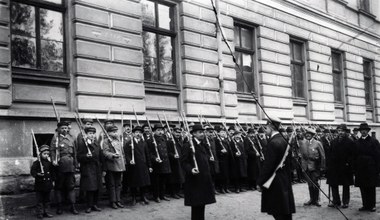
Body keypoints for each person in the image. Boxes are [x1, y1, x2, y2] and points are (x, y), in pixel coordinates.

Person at [257, 116, 295, 220]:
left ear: (270, 126)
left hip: (274, 181)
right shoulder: (284, 140)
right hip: (284, 179)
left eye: (266, 128)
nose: (265, 131)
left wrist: (260, 182)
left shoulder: (273, 142)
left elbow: (268, 166)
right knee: (285, 211)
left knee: (278, 211)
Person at [181, 124, 216, 220]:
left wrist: (209, 158)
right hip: (194, 179)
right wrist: (191, 169)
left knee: (202, 203)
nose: (202, 134)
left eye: (203, 132)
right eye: (200, 132)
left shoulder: (203, 145)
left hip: (204, 178)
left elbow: (203, 159)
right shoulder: (188, 145)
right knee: (196, 204)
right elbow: (184, 162)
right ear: (194, 134)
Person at [50, 121, 78, 215]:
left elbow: (75, 152)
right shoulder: (55, 138)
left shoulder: (71, 138)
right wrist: (54, 160)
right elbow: (52, 151)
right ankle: (59, 206)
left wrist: (76, 164)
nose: (64, 130)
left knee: (71, 186)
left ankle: (72, 206)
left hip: (70, 165)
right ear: (58, 129)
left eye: (66, 128)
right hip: (60, 165)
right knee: (59, 187)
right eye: (62, 128)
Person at [326, 124, 354, 208]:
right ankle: (336, 201)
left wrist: (348, 163)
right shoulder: (333, 141)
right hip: (334, 167)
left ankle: (345, 202)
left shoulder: (350, 142)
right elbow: (330, 154)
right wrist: (329, 165)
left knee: (346, 185)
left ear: (345, 132)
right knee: (333, 184)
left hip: (345, 167)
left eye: (342, 131)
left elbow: (352, 155)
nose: (340, 132)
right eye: (339, 131)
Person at [354, 122, 380, 212]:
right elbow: (354, 155)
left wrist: (378, 169)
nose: (363, 132)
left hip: (370, 168)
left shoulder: (374, 141)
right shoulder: (357, 142)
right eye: (362, 130)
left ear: (368, 131)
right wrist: (355, 168)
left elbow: (378, 156)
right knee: (363, 187)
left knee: (371, 187)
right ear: (360, 132)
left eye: (365, 130)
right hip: (360, 168)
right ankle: (365, 205)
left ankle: (372, 205)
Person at [77, 127, 103, 213]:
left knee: (97, 187)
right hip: (87, 168)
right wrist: (85, 157)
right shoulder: (83, 144)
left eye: (93, 133)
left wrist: (103, 168)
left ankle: (95, 204)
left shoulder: (97, 144)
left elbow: (101, 156)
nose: (92, 135)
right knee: (90, 187)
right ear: (86, 134)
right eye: (90, 133)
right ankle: (89, 205)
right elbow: (79, 157)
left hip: (97, 168)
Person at [125, 125, 152, 205]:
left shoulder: (144, 143)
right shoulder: (129, 143)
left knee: (143, 183)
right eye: (136, 132)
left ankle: (143, 196)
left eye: (140, 132)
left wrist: (149, 166)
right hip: (134, 166)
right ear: (133, 134)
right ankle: (133, 198)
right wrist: (130, 160)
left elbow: (147, 155)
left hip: (143, 165)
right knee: (134, 183)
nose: (138, 134)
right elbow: (126, 154)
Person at [299, 128, 326, 207]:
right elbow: (302, 156)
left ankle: (316, 200)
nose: (307, 135)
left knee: (315, 183)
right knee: (310, 183)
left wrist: (322, 167)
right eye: (306, 134)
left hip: (315, 167)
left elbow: (323, 156)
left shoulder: (317, 143)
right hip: (306, 167)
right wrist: (302, 166)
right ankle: (311, 199)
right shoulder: (303, 143)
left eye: (309, 134)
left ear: (313, 135)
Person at [102, 125, 126, 209]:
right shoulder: (106, 141)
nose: (115, 133)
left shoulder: (118, 140)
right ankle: (113, 201)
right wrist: (112, 155)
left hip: (119, 165)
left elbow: (122, 153)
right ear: (108, 133)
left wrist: (124, 162)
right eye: (113, 132)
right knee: (111, 185)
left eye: (116, 131)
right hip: (111, 165)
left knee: (118, 184)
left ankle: (118, 200)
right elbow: (105, 152)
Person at [147, 124, 172, 203]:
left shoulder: (164, 139)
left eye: (161, 130)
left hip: (165, 163)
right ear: (154, 131)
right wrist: (155, 158)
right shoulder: (151, 140)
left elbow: (167, 151)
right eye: (158, 130)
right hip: (156, 164)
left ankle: (162, 195)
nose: (160, 132)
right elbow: (149, 153)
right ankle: (156, 196)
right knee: (156, 181)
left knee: (163, 181)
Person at [31, 145, 53, 219]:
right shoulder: (37, 163)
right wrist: (38, 174)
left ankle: (46, 212)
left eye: (47, 154)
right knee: (39, 200)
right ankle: (39, 213)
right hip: (40, 185)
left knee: (47, 200)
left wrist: (52, 181)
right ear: (40, 154)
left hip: (47, 184)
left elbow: (52, 173)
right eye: (44, 154)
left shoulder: (49, 163)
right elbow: (32, 171)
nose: (46, 155)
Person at [215, 125, 231, 194]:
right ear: (218, 133)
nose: (223, 133)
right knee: (222, 175)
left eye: (224, 132)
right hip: (221, 160)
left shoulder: (226, 140)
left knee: (227, 175)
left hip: (227, 160)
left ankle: (226, 187)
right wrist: (220, 151)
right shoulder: (217, 140)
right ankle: (221, 188)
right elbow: (215, 150)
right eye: (221, 132)